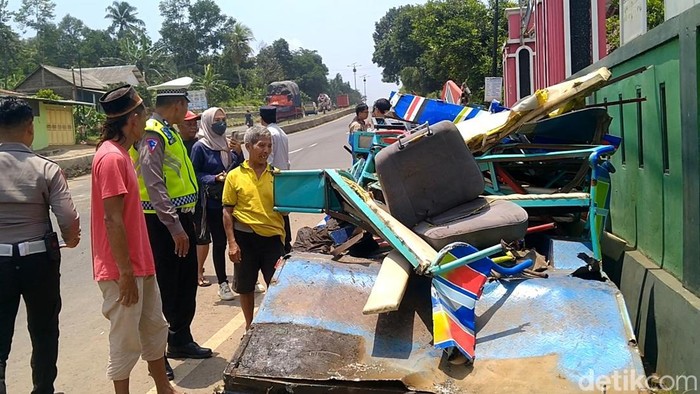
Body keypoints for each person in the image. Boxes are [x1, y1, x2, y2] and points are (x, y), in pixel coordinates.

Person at [91, 85, 179, 394]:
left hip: (140, 262)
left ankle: (163, 387)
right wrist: (125, 273)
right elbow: (111, 219)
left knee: (154, 329)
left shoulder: (123, 155)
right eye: (143, 117)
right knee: (125, 339)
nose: (145, 123)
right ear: (133, 120)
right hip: (122, 269)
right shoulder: (112, 159)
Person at [130, 77, 212, 377]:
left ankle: (181, 338)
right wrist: (174, 225)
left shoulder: (169, 131)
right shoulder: (153, 134)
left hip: (180, 218)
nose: (188, 109)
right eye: (187, 104)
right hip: (162, 222)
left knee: (184, 282)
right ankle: (158, 352)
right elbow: (153, 183)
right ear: (178, 105)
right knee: (164, 288)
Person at [0, 98, 81, 394]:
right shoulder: (46, 168)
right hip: (38, 262)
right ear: (29, 129)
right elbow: (69, 219)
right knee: (44, 330)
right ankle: (43, 389)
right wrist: (71, 240)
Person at [222, 126, 285, 331]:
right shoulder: (234, 176)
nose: (266, 150)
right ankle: (249, 326)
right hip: (244, 238)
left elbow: (286, 210)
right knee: (246, 287)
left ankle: (273, 326)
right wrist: (232, 243)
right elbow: (227, 212)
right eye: (261, 145)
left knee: (276, 285)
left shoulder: (278, 176)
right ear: (248, 147)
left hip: (273, 239)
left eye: (269, 146)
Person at [190, 107, 244, 301]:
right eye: (217, 120)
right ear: (207, 123)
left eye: (224, 119)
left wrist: (239, 153)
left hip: (234, 201)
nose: (221, 123)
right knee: (220, 243)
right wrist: (214, 178)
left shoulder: (227, 144)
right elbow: (194, 174)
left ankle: (243, 279)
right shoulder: (200, 147)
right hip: (213, 203)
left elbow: (239, 168)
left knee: (239, 239)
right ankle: (223, 283)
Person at [180, 111, 211, 288]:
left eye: (195, 124)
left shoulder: (201, 145)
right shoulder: (173, 145)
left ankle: (199, 271)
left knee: (202, 235)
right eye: (189, 124)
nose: (193, 127)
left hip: (200, 197)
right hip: (179, 199)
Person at [259, 106, 292, 257]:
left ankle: (282, 242)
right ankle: (287, 241)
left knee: (276, 210)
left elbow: (269, 157)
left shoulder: (269, 133)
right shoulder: (281, 132)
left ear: (262, 118)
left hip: (274, 175)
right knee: (283, 210)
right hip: (284, 173)